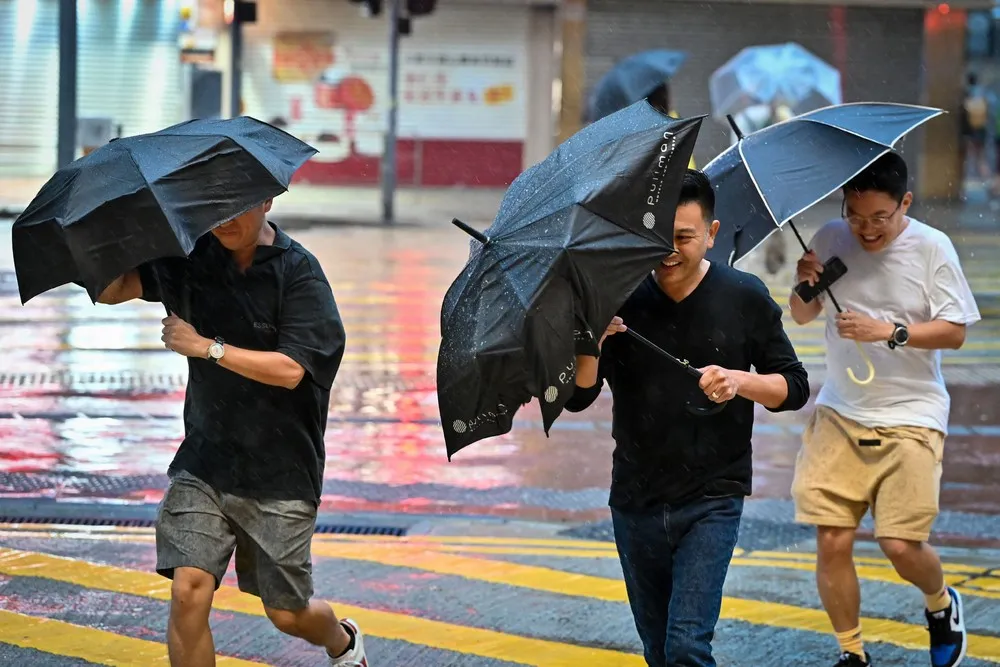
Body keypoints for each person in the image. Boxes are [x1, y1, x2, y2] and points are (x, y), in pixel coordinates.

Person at [96, 200, 368, 667]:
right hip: (205, 460)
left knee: (288, 613)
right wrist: (110, 239)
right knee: (189, 590)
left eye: (236, 208)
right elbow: (113, 290)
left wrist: (206, 348)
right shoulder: (191, 256)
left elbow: (291, 370)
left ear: (266, 200)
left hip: (281, 471)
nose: (224, 220)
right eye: (214, 208)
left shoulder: (298, 274)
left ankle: (342, 642)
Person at [565, 169, 810, 667]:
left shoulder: (743, 295)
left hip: (712, 499)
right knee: (659, 651)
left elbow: (794, 387)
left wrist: (739, 381)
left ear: (712, 234)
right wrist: (590, 337)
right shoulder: (621, 298)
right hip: (636, 499)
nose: (668, 251)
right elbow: (577, 397)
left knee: (686, 646)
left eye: (683, 238)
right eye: (658, 238)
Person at [788, 152, 980, 667]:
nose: (866, 229)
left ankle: (941, 605)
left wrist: (888, 331)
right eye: (856, 215)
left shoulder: (931, 248)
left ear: (905, 204)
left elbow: (956, 331)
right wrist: (805, 281)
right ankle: (852, 653)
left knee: (900, 544)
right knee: (832, 538)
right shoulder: (830, 238)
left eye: (879, 217)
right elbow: (802, 315)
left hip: (912, 412)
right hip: (841, 411)